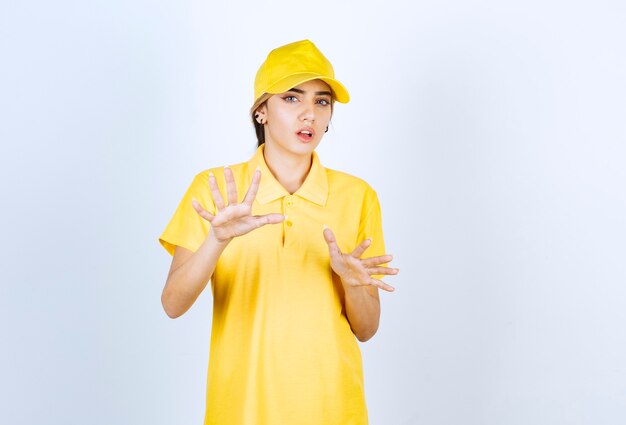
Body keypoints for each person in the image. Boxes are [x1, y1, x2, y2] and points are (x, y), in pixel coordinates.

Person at [159, 39, 399, 425]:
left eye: (322, 102)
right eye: (292, 98)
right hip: (241, 408)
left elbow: (367, 329)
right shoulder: (216, 190)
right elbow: (172, 304)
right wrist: (216, 241)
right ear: (261, 112)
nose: (309, 114)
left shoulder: (358, 196)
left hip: (332, 407)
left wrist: (354, 285)